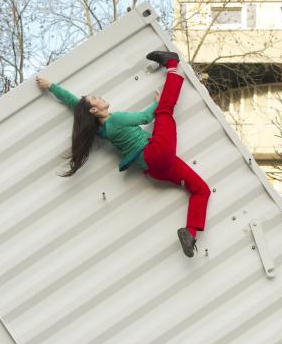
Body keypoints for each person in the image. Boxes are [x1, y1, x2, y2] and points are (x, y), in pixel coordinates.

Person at [36, 51, 210, 257]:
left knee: (201, 190)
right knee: (164, 109)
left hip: (155, 169)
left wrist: (51, 87)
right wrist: (157, 101)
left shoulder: (101, 131)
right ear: (94, 110)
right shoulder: (115, 119)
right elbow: (146, 117)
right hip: (156, 153)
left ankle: (190, 234)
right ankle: (171, 63)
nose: (100, 97)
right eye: (95, 99)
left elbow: (76, 104)